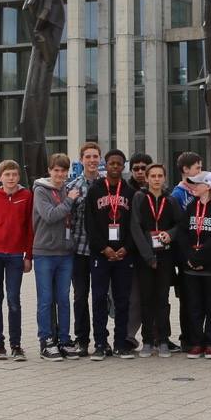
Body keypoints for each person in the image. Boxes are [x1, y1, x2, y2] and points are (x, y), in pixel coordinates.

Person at [0, 159, 34, 361]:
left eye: (14, 175)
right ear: (0, 177)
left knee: (13, 300)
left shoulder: (26, 196)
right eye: (7, 175)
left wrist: (29, 255)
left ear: (19, 177)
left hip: (16, 256)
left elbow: (29, 228)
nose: (11, 178)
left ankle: (16, 345)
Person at [86, 149, 136, 359]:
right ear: (105, 165)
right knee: (98, 299)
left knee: (122, 299)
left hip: (124, 254)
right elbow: (89, 223)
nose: (115, 166)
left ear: (123, 166)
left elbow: (136, 224)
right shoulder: (95, 190)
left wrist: (126, 247)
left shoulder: (130, 191)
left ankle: (120, 343)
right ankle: (100, 342)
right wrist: (103, 248)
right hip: (101, 254)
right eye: (111, 163)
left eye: (119, 163)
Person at [32, 153, 81, 361]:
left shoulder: (68, 189)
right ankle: (46, 340)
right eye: (56, 170)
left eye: (63, 170)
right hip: (44, 252)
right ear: (50, 171)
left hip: (65, 253)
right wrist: (70, 201)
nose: (60, 174)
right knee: (45, 299)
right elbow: (50, 216)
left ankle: (63, 339)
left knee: (63, 299)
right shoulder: (41, 191)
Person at [130, 162, 182, 356]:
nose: (157, 179)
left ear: (164, 178)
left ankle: (163, 340)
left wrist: (171, 234)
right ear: (147, 178)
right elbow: (135, 227)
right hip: (145, 257)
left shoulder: (171, 200)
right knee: (146, 299)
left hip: (166, 256)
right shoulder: (139, 197)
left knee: (163, 299)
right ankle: (147, 340)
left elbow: (180, 224)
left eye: (160, 176)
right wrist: (147, 256)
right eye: (153, 176)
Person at [179, 171, 211, 358]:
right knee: (194, 305)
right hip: (191, 267)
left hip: (210, 266)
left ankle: (210, 342)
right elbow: (183, 234)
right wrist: (191, 257)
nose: (193, 187)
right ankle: (196, 342)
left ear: (208, 186)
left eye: (197, 184)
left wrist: (202, 258)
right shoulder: (191, 207)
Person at [67, 141, 102, 356]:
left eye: (95, 156)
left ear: (100, 159)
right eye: (87, 157)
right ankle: (82, 339)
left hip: (101, 251)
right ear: (81, 160)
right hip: (79, 250)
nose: (91, 160)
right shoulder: (73, 187)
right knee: (80, 296)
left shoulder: (106, 184)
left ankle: (101, 340)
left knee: (100, 297)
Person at [170, 151, 203, 350]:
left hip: (203, 251)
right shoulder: (177, 194)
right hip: (185, 254)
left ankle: (200, 335)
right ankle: (187, 337)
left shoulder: (202, 190)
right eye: (197, 168)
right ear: (185, 170)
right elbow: (180, 226)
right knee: (188, 298)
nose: (200, 171)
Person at [124, 152, 152, 347]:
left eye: (144, 168)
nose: (140, 172)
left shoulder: (161, 191)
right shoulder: (125, 191)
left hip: (154, 251)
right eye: (136, 168)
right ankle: (129, 335)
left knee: (155, 297)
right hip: (131, 250)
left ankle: (157, 336)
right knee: (134, 298)